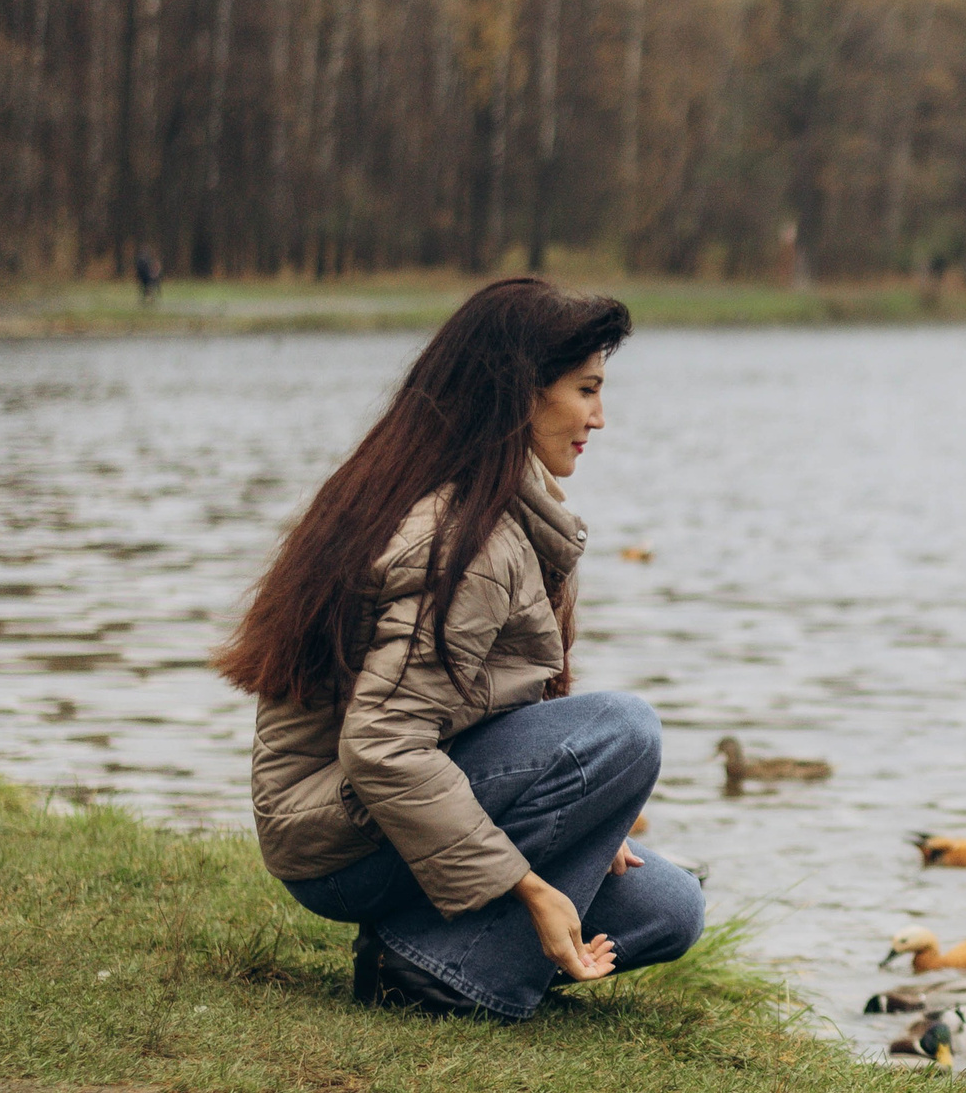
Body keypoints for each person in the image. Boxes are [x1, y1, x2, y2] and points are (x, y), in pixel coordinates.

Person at [215, 277, 700, 1017]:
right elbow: (381, 744)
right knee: (628, 731)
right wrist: (534, 886)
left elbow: (499, 705)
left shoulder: (504, 508)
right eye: (586, 389)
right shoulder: (466, 540)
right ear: (520, 395)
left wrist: (591, 816)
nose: (600, 417)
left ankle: (420, 950)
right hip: (338, 840)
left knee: (672, 905)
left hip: (392, 815)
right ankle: (445, 973)